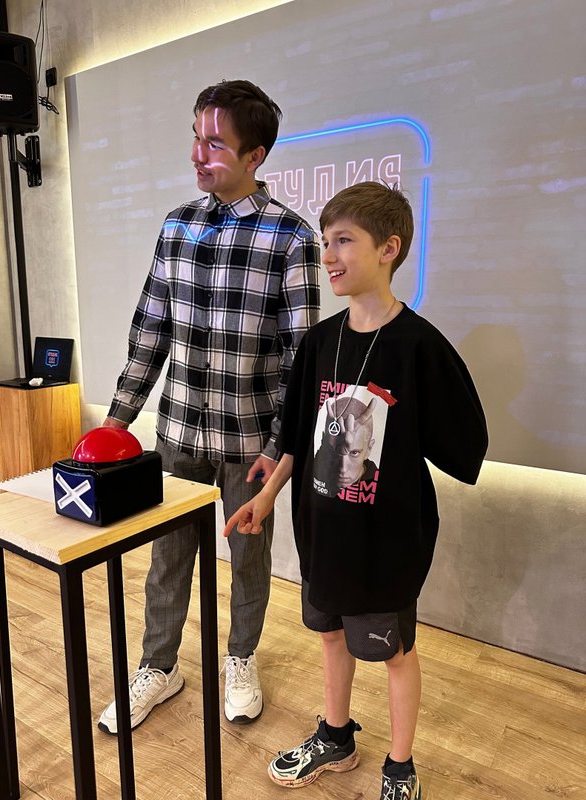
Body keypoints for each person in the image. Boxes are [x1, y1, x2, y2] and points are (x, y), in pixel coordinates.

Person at [224, 182, 488, 799]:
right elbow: (298, 437)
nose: (329, 256)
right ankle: (336, 737)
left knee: (393, 652)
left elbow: (463, 442)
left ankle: (400, 765)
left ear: (388, 248)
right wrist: (266, 496)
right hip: (323, 532)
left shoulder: (419, 346)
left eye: (344, 241)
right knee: (330, 634)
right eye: (326, 241)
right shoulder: (320, 342)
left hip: (385, 543)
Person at [97, 80, 321, 733]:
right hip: (178, 433)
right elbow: (150, 330)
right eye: (197, 138)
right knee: (167, 557)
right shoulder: (176, 226)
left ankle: (240, 660)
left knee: (249, 559)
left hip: (252, 443)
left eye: (216, 143)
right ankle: (158, 667)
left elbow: (300, 360)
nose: (199, 153)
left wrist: (280, 448)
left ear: (255, 156)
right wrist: (116, 422)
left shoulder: (291, 238)